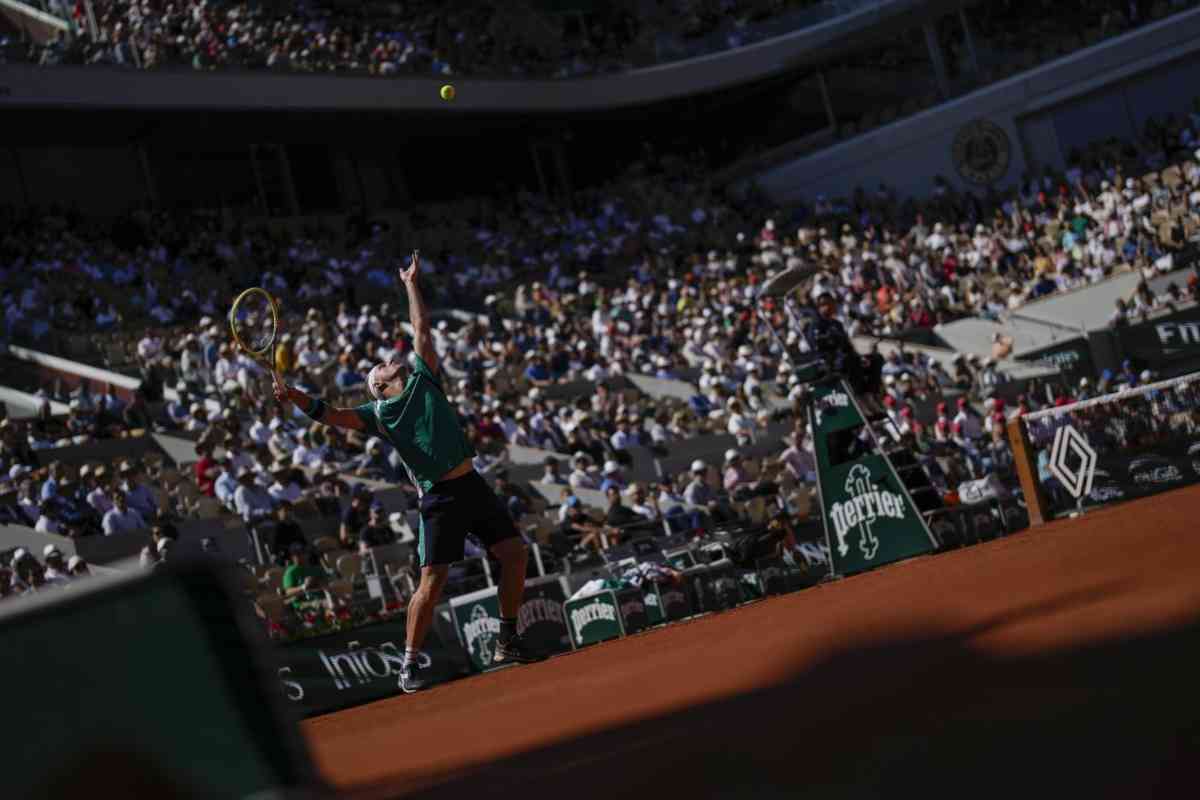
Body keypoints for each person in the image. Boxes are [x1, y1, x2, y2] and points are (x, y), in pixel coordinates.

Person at [270, 250, 540, 693]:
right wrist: (295, 394)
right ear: (378, 384)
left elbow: (421, 328)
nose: (388, 360)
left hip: (471, 484)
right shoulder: (376, 412)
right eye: (380, 366)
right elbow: (331, 414)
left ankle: (507, 638)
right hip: (439, 499)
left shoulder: (424, 377)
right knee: (431, 583)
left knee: (515, 554)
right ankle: (409, 663)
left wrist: (411, 284)